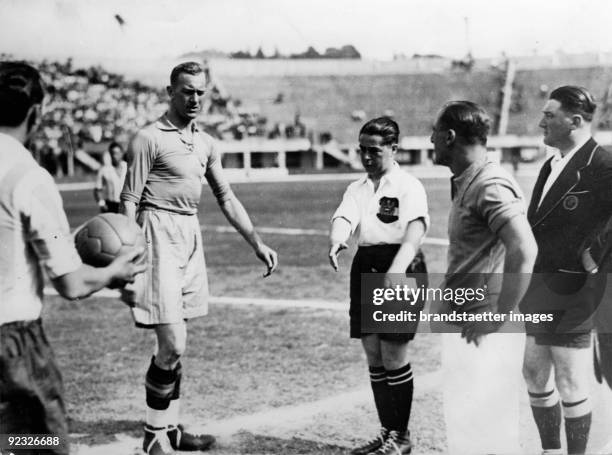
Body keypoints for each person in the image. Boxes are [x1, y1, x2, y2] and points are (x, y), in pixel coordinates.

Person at [120, 61, 278, 455]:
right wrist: (127, 254)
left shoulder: (206, 143)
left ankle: (171, 429)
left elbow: (226, 197)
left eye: (200, 92)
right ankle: (154, 435)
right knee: (171, 343)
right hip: (156, 234)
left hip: (190, 235)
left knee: (180, 343)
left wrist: (256, 242)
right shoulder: (148, 138)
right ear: (170, 91)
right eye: (187, 91)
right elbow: (128, 199)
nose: (194, 99)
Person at [0, 62, 145, 455]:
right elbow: (72, 284)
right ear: (35, 113)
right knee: (41, 444)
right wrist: (115, 272)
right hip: (10, 341)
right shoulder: (29, 178)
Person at [430, 101, 537, 454]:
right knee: (466, 426)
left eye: (435, 133)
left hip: (483, 323)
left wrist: (498, 316)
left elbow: (525, 249)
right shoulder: (469, 180)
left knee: (489, 432)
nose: (430, 139)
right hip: (465, 319)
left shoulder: (490, 183)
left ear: (449, 136)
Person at [520, 86, 612, 455]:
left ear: (574, 121)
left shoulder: (602, 166)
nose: (541, 121)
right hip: (541, 285)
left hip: (575, 288)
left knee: (571, 379)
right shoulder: (552, 162)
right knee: (533, 372)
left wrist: (594, 263)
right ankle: (551, 451)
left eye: (548, 115)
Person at [329, 117, 429, 455]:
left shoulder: (408, 185)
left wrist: (398, 269)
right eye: (362, 150)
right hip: (366, 264)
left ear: (393, 149)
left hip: (400, 265)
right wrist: (337, 240)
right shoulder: (358, 188)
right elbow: (345, 216)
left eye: (375, 150)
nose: (367, 157)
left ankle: (401, 438)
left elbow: (416, 228)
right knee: (373, 352)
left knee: (393, 353)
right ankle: (388, 431)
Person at [93, 141, 127, 213]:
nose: (114, 156)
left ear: (122, 153)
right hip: (110, 205)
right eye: (112, 154)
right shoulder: (104, 170)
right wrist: (101, 204)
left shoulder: (128, 168)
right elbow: (97, 189)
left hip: (125, 205)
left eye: (117, 153)